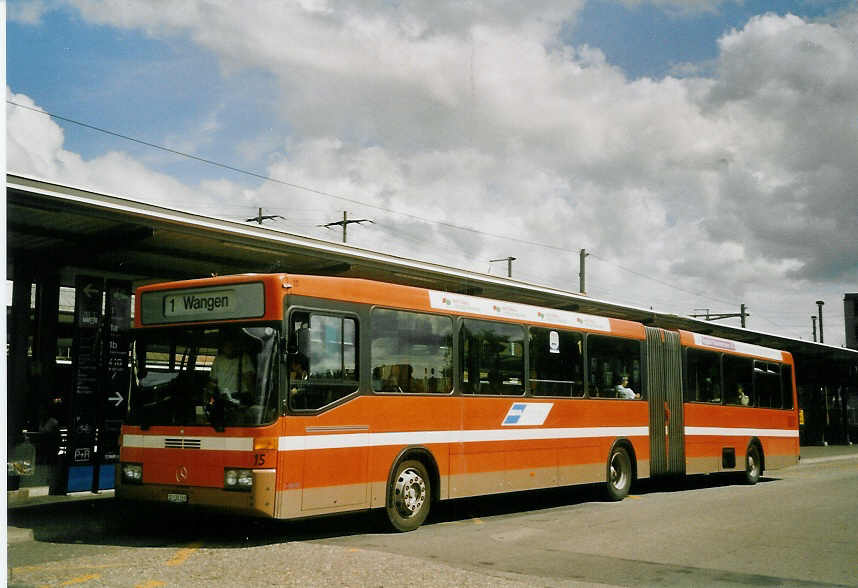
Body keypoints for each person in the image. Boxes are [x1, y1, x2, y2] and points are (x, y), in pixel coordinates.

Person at [209, 338, 255, 405]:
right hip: (223, 398)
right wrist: (209, 397)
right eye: (227, 346)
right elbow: (213, 381)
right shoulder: (218, 360)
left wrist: (254, 400)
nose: (229, 349)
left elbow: (249, 380)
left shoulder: (244, 358)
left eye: (231, 346)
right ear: (222, 347)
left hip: (240, 397)